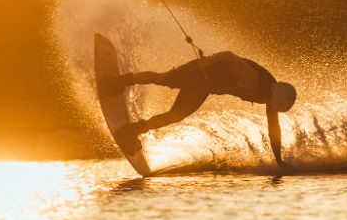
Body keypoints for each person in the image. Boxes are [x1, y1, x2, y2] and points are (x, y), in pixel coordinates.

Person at [99, 51, 297, 165]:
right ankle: (117, 82)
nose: (269, 107)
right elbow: (228, 55)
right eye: (270, 103)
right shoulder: (253, 78)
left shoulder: (272, 96)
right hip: (199, 72)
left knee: (176, 115)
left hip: (204, 86)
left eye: (272, 106)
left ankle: (131, 131)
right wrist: (207, 61)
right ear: (273, 94)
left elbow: (274, 128)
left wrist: (278, 160)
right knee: (163, 79)